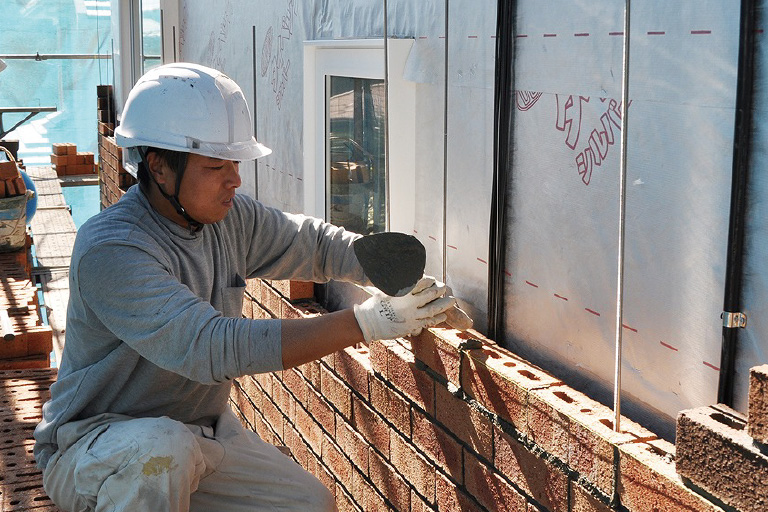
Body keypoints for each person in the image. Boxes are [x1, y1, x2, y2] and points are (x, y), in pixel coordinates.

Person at [33, 62, 456, 511]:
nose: (235, 178)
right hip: (96, 447)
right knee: (161, 452)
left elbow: (311, 243)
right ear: (158, 167)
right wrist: (367, 321)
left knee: (308, 504)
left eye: (235, 162)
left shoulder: (229, 219)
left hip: (200, 434)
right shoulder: (112, 249)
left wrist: (393, 276)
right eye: (216, 165)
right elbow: (212, 347)